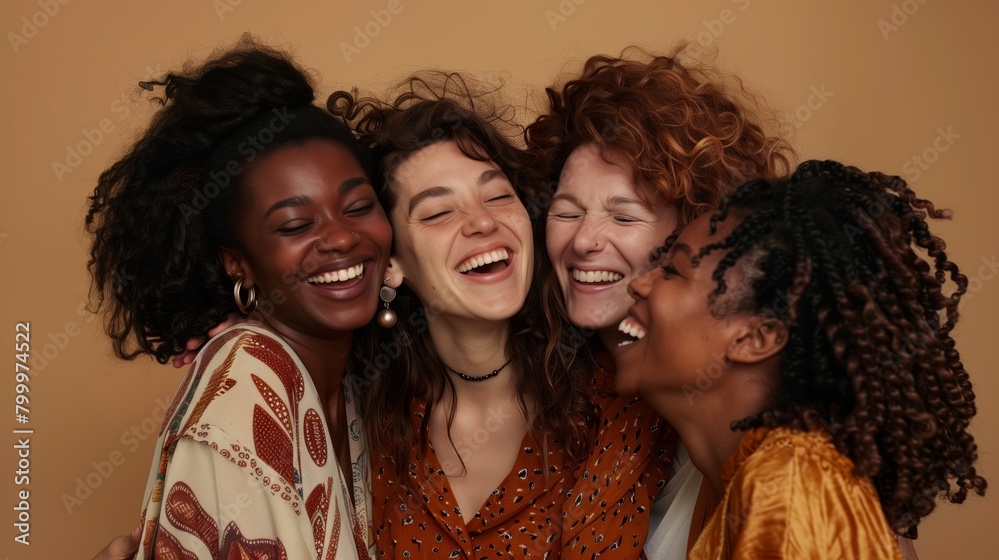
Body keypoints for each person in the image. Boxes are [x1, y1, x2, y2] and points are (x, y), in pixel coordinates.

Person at [329, 76, 674, 559]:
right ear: (393, 262)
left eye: (497, 197)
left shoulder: (615, 402)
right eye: (437, 213)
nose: (482, 221)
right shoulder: (359, 408)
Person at [86, 40, 391, 559]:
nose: (340, 238)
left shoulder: (354, 374)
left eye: (359, 207)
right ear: (238, 262)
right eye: (296, 224)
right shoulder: (249, 387)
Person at [615, 159, 988, 558]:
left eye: (673, 271)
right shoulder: (752, 480)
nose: (639, 283)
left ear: (757, 337)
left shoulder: (794, 488)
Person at [525, 47, 793, 558]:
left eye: (624, 218)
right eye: (567, 212)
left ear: (693, 233)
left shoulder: (766, 429)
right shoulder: (559, 389)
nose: (584, 241)